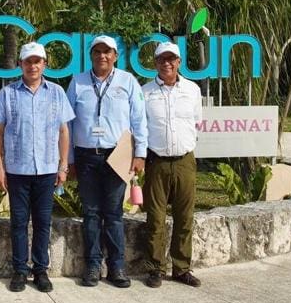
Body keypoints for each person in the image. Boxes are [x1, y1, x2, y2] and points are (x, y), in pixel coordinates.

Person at [0, 43, 74, 292]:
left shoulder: (57, 92)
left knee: (42, 222)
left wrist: (63, 166)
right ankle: (19, 270)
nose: (33, 66)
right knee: (18, 222)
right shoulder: (8, 94)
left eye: (37, 61)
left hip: (47, 169)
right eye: (28, 61)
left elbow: (63, 131)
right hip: (17, 169)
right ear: (20, 65)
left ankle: (40, 270)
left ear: (44, 64)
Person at [67, 35, 147, 288]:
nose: (102, 55)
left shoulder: (128, 82)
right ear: (91, 55)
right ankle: (92, 265)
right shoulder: (77, 82)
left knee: (113, 214)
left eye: (107, 52)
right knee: (90, 213)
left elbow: (139, 120)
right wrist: (68, 159)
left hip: (118, 154)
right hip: (86, 155)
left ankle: (117, 266)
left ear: (115, 56)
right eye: (98, 51)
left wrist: (140, 154)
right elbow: (67, 123)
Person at [142, 41, 203, 288]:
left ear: (179, 62)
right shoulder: (145, 92)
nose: (167, 63)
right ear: (155, 63)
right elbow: (139, 127)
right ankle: (155, 268)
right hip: (156, 161)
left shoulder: (192, 90)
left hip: (184, 161)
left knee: (184, 217)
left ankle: (181, 268)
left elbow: (196, 122)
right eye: (162, 59)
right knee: (155, 218)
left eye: (171, 59)